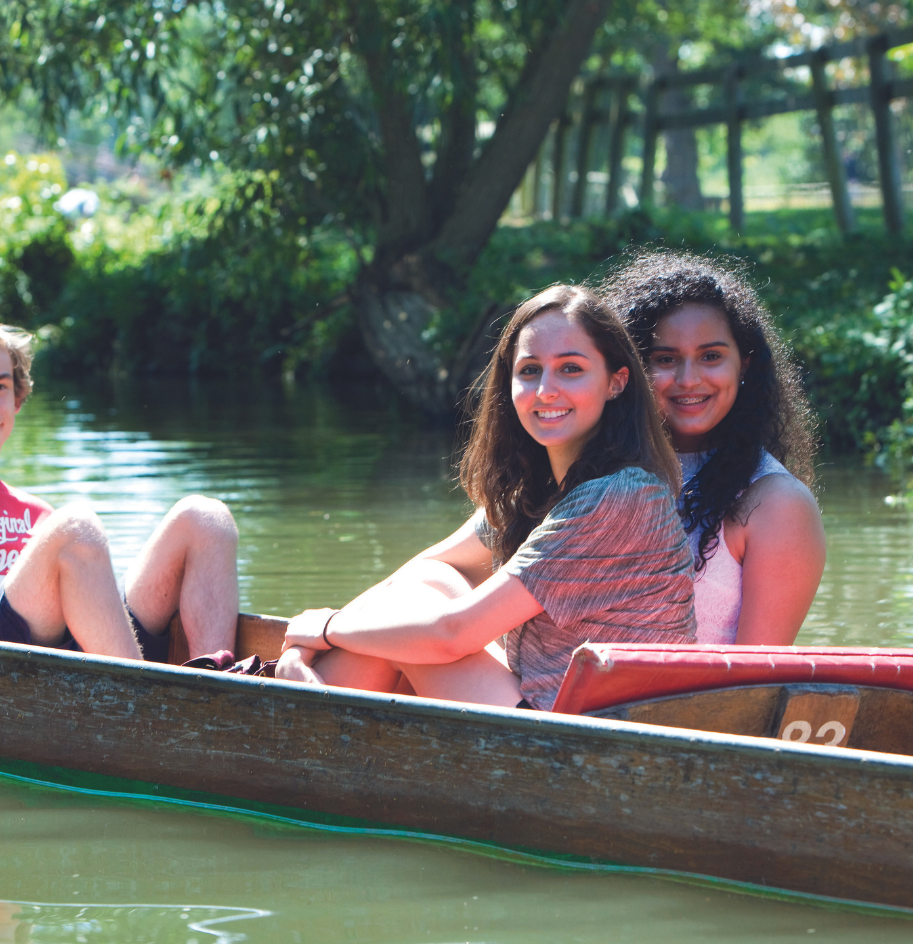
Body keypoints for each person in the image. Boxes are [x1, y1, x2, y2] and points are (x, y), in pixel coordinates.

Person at [275, 285, 696, 711]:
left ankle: (303, 723)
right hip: (549, 713)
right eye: (530, 370)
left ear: (616, 382)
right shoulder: (538, 491)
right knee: (427, 582)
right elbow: (417, 571)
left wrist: (327, 628)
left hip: (589, 744)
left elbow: (453, 634)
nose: (545, 390)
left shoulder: (619, 497)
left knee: (414, 616)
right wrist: (305, 641)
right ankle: (312, 711)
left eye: (571, 369)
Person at [0, 315, 240, 661]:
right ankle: (140, 700)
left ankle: (218, 687)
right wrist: (33, 592)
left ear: (17, 398)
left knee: (206, 517)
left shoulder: (39, 515)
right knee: (77, 527)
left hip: (71, 653)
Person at [600, 251, 825, 645]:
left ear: (746, 366)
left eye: (711, 357)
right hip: (556, 695)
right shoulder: (590, 465)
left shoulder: (776, 502)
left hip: (687, 705)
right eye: (665, 359)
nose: (689, 379)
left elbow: (754, 684)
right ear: (628, 371)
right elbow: (459, 558)